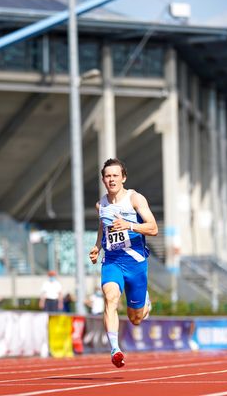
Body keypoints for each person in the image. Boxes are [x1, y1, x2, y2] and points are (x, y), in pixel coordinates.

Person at [89, 158, 158, 368]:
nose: (111, 180)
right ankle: (115, 349)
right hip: (112, 260)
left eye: (115, 176)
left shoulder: (135, 199)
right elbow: (103, 227)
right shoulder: (101, 204)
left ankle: (144, 302)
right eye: (108, 176)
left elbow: (153, 228)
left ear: (123, 177)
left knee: (135, 318)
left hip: (136, 262)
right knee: (110, 298)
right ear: (103, 179)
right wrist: (97, 247)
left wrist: (129, 225)